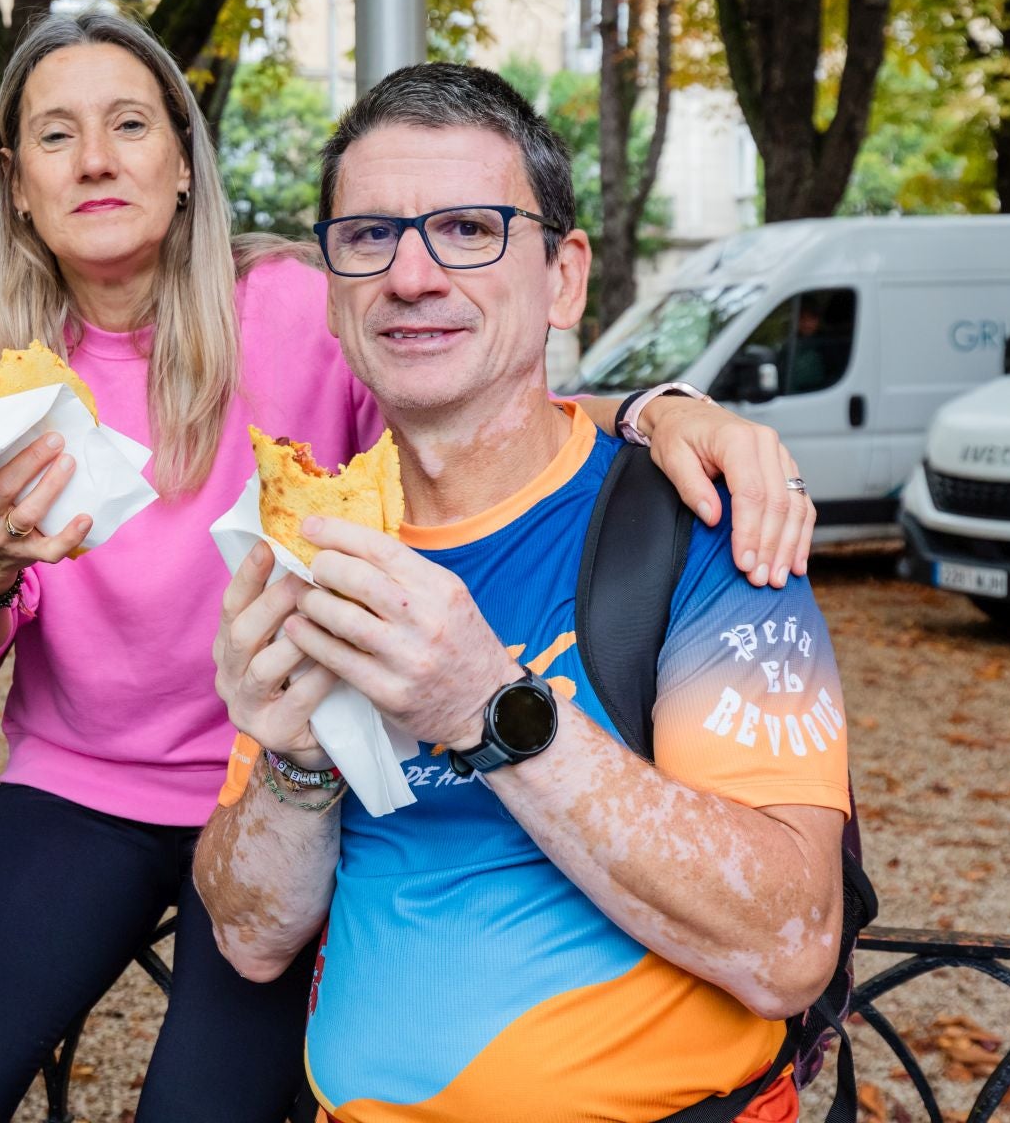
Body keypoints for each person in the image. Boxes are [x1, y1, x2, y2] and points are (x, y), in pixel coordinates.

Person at [0, 10, 817, 1122]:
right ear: (15, 180)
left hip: (308, 763)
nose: (97, 157)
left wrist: (662, 410)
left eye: (130, 123)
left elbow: (473, 404)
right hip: (85, 781)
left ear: (183, 159)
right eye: (56, 134)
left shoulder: (295, 301)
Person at [197, 62, 850, 1123]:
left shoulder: (699, 521)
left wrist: (486, 709)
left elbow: (788, 943)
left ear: (563, 275)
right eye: (368, 235)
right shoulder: (315, 541)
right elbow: (250, 931)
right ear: (333, 286)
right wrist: (295, 763)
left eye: (468, 228)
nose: (410, 274)